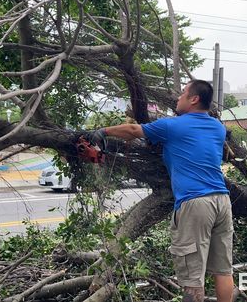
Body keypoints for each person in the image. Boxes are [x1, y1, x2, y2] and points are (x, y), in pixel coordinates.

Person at [88, 80, 233, 302]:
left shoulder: (173, 126)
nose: (178, 97)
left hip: (195, 204)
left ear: (194, 99)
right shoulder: (218, 128)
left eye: (183, 93)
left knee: (193, 278)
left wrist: (102, 131)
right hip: (222, 201)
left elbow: (134, 130)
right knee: (223, 271)